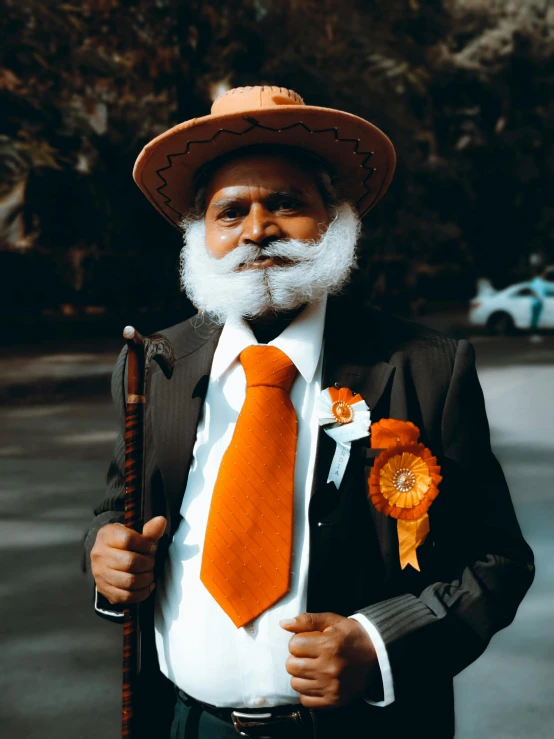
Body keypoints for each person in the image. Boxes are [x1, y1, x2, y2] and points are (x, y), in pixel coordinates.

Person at [84, 86, 534, 739]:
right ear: (200, 237)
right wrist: (103, 555)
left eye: (288, 203)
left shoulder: (425, 366)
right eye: (230, 211)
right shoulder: (150, 366)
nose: (258, 228)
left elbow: (497, 559)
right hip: (183, 723)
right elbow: (114, 514)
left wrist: (378, 644)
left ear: (335, 218)